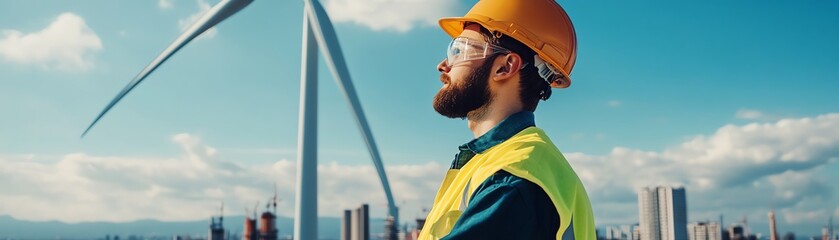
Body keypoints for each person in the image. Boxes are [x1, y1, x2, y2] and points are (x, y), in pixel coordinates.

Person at [419, 0, 595, 239]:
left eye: (459, 50)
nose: (443, 65)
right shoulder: (510, 164)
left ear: (505, 67)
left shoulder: (512, 179)